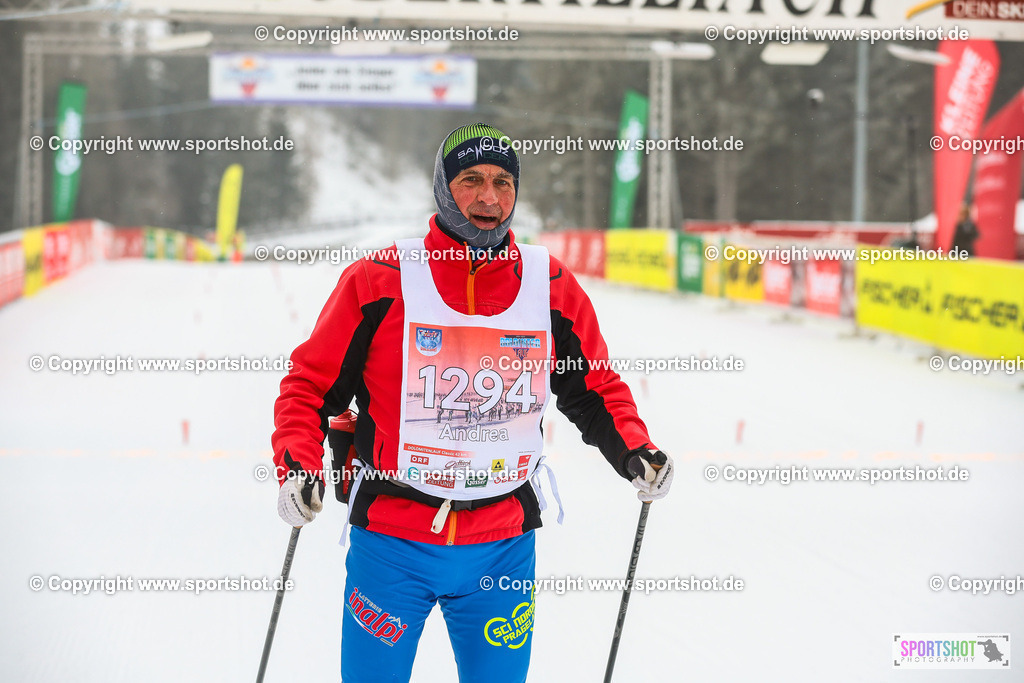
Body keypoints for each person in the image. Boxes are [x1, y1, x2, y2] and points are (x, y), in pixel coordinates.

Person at [271, 123, 673, 682]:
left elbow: (592, 387)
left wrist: (636, 450)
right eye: (472, 180)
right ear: (443, 187)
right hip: (392, 544)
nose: (489, 196)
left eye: (503, 182)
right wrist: (298, 465)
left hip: (501, 549)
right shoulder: (380, 280)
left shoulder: (549, 284)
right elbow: (310, 385)